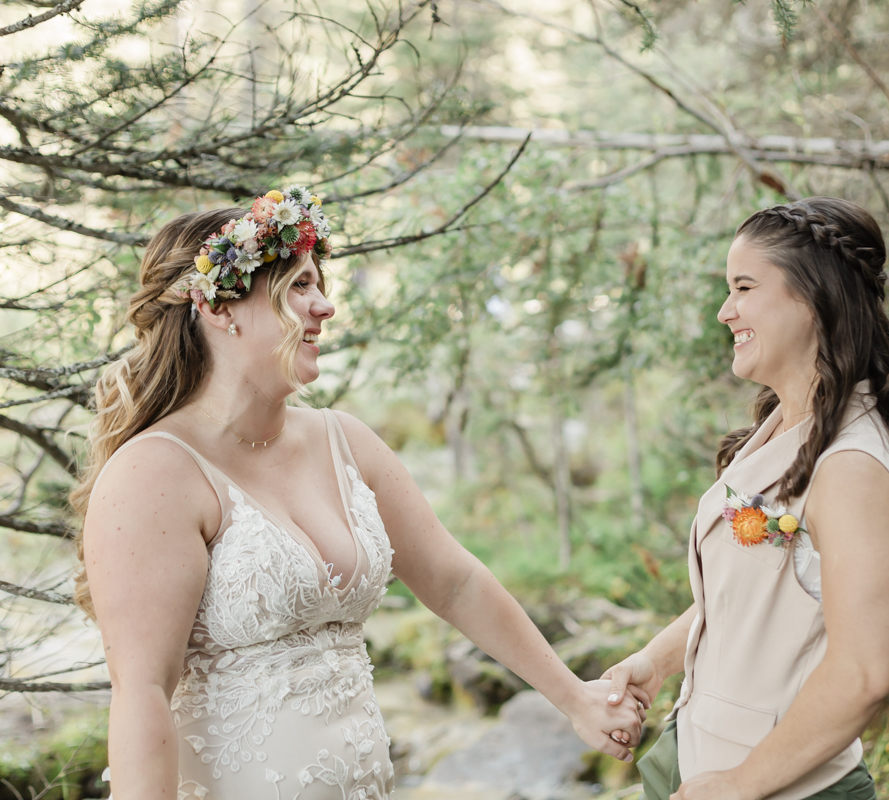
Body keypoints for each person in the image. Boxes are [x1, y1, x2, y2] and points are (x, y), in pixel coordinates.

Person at [73, 187, 644, 800]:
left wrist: (575, 700)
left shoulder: (345, 441)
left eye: (318, 284)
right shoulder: (153, 475)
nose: (325, 306)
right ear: (219, 308)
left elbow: (456, 583)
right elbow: (143, 692)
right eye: (297, 286)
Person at [603, 197, 889, 800]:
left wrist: (740, 785)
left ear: (813, 298)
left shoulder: (850, 463)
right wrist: (654, 663)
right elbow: (751, 599)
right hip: (695, 759)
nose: (726, 311)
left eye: (744, 287)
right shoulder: (784, 426)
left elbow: (866, 670)